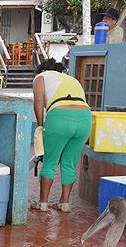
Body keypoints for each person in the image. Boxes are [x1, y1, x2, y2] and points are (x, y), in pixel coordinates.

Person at [31, 58, 92, 212]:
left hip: (59, 117)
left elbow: (38, 101)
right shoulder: (71, 79)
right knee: (69, 163)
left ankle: (43, 203)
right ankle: (64, 203)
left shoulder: (41, 77)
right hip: (85, 118)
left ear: (43, 70)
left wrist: (40, 126)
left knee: (50, 162)